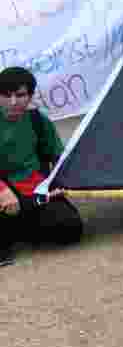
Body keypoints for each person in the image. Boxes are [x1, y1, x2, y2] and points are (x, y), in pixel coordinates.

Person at [0, 67, 83, 266]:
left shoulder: (38, 120)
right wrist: (2, 191)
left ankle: (17, 226)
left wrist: (59, 185)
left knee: (69, 229)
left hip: (31, 188)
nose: (13, 102)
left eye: (20, 95)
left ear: (30, 96)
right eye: (5, 95)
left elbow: (59, 158)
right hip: (3, 190)